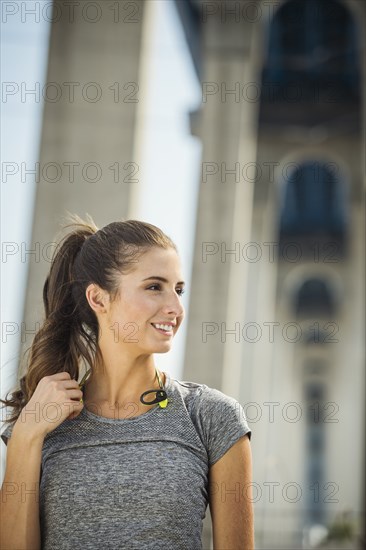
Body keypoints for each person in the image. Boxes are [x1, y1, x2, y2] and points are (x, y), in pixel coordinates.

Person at [0, 213, 254, 550]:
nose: (175, 307)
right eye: (154, 287)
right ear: (99, 299)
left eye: (178, 290)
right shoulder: (44, 420)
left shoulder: (211, 416)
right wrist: (26, 437)